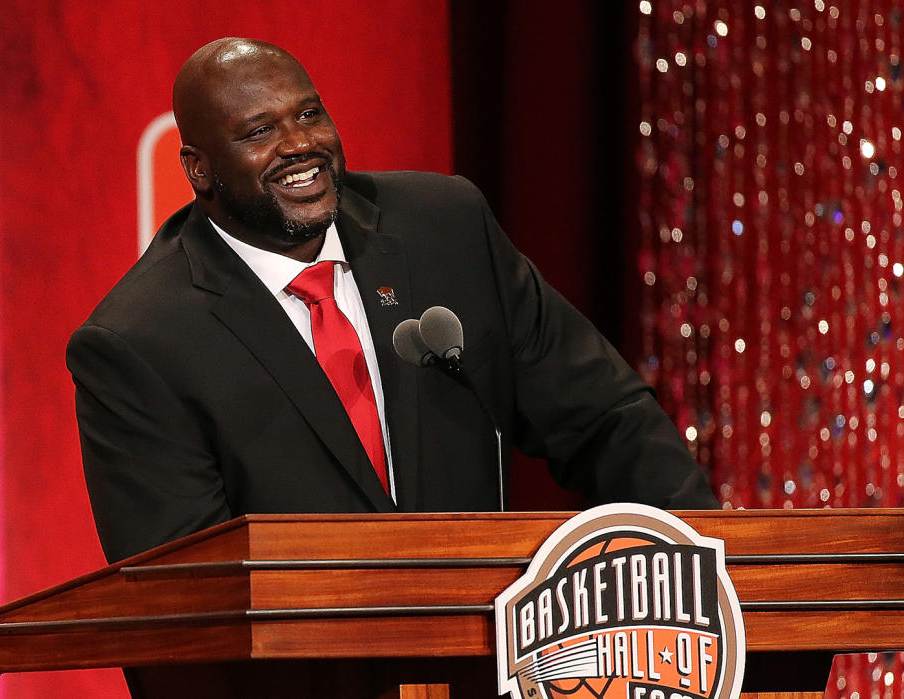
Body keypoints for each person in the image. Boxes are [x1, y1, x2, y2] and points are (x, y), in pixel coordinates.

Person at [67, 37, 717, 564]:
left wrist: (703, 561)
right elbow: (184, 591)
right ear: (199, 170)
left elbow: (607, 419)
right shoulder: (142, 342)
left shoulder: (445, 229)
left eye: (309, 113)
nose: (301, 145)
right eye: (259, 131)